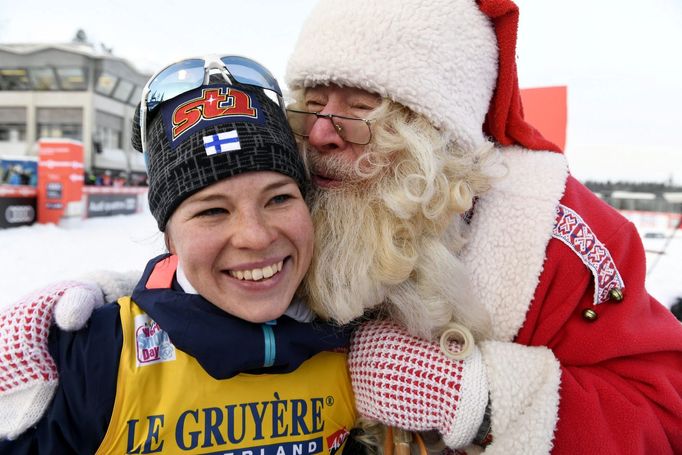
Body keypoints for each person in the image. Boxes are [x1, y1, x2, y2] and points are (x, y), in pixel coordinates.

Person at [2, 0, 682, 453]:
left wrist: (477, 392)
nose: (323, 131)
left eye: (360, 106)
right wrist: (97, 314)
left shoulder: (552, 242)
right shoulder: (324, 185)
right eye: (313, 100)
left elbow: (663, 414)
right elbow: (239, 252)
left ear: (431, 131)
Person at [0, 57, 358, 453]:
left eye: (278, 198)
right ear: (170, 237)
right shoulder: (100, 356)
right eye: (212, 210)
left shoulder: (358, 344)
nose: (255, 237)